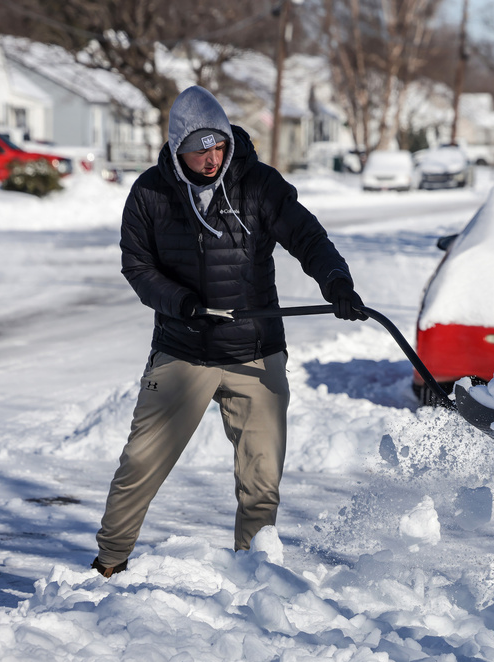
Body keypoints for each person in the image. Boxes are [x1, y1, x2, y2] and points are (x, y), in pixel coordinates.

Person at [91, 85, 367, 577]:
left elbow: (307, 237)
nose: (212, 158)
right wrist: (184, 305)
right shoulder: (150, 194)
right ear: (178, 148)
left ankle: (254, 575)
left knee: (261, 480)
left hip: (255, 351)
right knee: (139, 465)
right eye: (200, 149)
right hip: (181, 350)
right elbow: (138, 267)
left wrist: (336, 281)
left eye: (218, 146)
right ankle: (109, 562)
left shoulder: (258, 184)